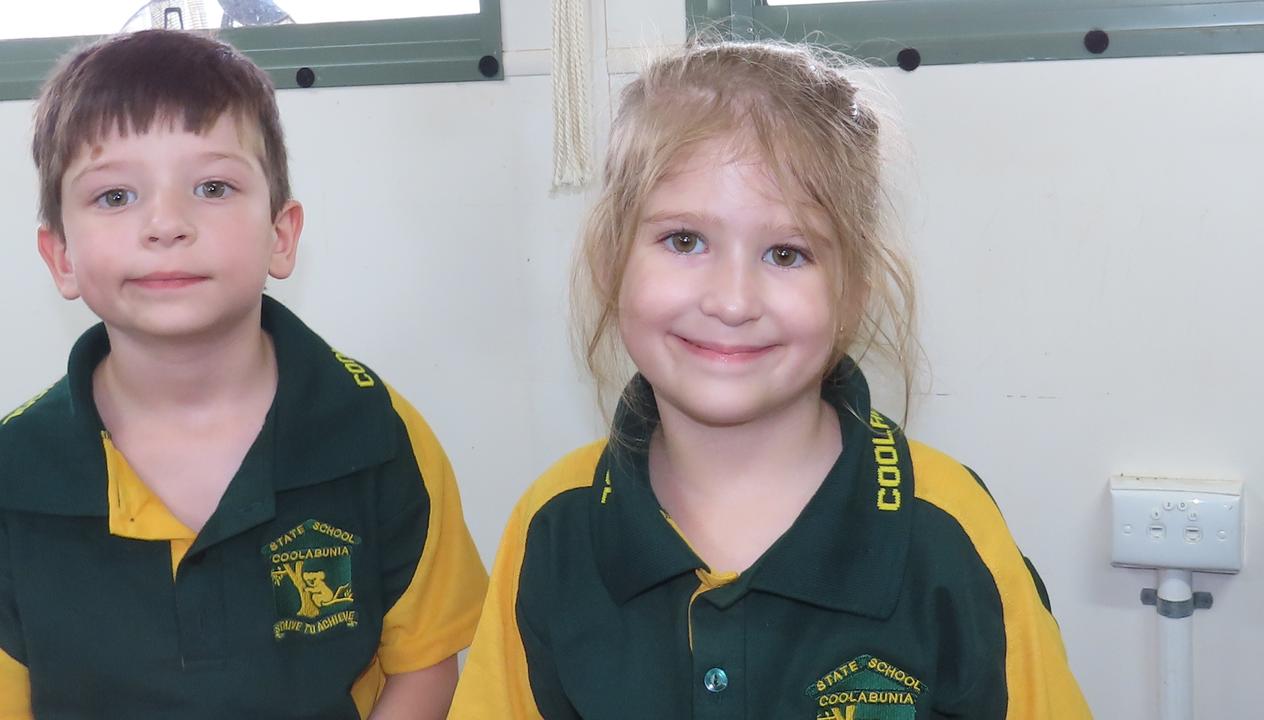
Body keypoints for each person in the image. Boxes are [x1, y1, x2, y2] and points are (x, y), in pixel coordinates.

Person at [450, 41, 1092, 719]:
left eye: (787, 253)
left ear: (853, 291)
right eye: (685, 241)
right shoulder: (551, 524)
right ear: (613, 261)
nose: (732, 300)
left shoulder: (949, 528)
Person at [0, 29, 486, 719]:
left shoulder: (379, 434)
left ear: (280, 235)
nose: (166, 223)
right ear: (62, 258)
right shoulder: (14, 473)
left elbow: (426, 668)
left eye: (212, 186)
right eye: (115, 197)